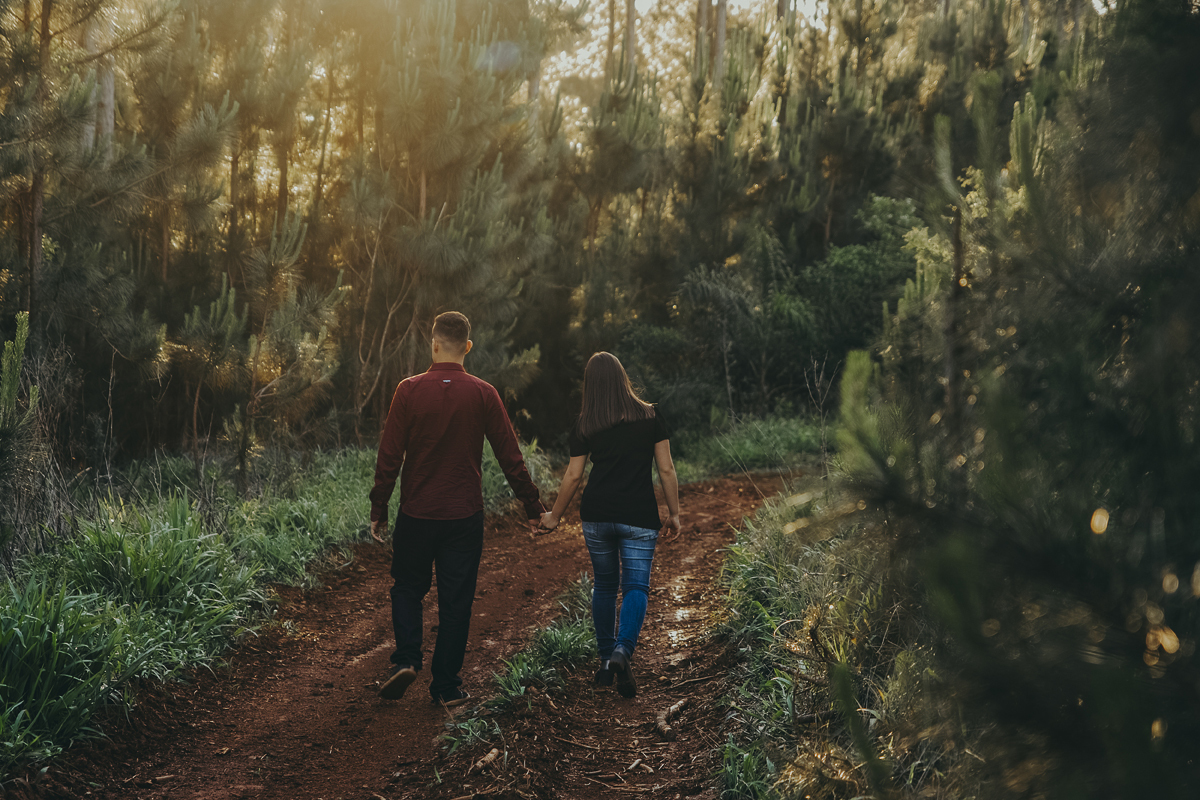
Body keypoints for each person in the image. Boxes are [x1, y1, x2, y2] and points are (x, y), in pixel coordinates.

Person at [370, 311, 545, 706]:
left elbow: (389, 455)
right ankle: (446, 687)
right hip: (464, 516)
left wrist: (378, 507)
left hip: (416, 513)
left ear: (433, 344)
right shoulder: (483, 393)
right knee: (456, 601)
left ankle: (407, 659)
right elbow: (509, 455)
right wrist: (532, 507)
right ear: (467, 347)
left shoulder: (408, 390)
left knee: (407, 588)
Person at [539, 352, 681, 698]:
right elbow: (666, 470)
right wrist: (675, 513)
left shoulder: (586, 422)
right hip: (638, 517)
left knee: (604, 586)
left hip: (597, 516)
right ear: (622, 378)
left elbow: (574, 475)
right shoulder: (650, 415)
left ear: (592, 385)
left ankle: (605, 662)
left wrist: (554, 516)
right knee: (635, 587)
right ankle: (623, 650)